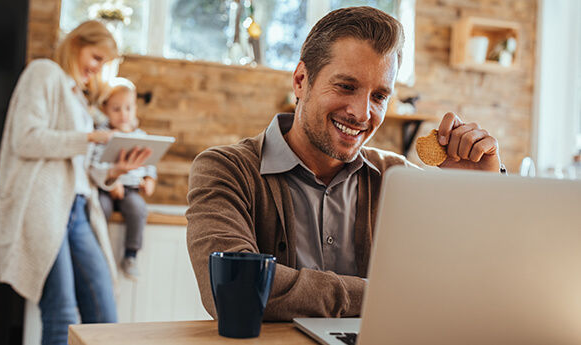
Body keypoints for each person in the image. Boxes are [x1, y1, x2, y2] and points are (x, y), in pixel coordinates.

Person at [185, 6, 502, 322]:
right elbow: (232, 291)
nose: (362, 113)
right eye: (346, 86)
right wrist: (386, 294)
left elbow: (467, 286)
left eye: (378, 96)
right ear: (300, 80)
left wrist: (478, 196)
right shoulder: (225, 170)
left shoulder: (399, 179)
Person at [0, 21, 151, 345]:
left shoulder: (79, 99)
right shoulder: (44, 73)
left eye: (104, 63)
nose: (98, 68)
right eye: (96, 57)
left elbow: (80, 169)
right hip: (45, 206)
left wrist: (114, 171)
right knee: (61, 313)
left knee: (104, 315)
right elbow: (26, 139)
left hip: (78, 209)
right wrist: (90, 136)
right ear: (75, 44)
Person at [90, 78, 157, 281]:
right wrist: (113, 184)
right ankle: (97, 252)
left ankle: (131, 255)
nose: (123, 114)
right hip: (106, 188)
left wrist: (149, 179)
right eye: (116, 109)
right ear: (105, 108)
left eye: (128, 108)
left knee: (138, 209)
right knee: (101, 209)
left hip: (131, 190)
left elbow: (150, 163)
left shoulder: (139, 134)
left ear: (135, 108)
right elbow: (95, 162)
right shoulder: (101, 133)